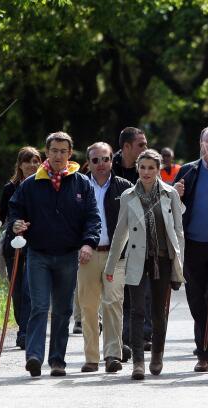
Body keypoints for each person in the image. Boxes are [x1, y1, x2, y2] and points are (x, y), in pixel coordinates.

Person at [8, 132, 101, 377]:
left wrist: (88, 243)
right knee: (39, 306)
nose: (58, 156)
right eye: (54, 151)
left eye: (63, 151)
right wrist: (16, 224)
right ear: (46, 153)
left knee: (62, 310)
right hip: (38, 254)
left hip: (69, 255)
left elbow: (93, 217)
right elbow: (15, 210)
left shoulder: (82, 183)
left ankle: (57, 360)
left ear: (70, 154)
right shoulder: (30, 184)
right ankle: (34, 357)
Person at [104, 149, 185, 380]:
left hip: (163, 259)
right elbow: (120, 233)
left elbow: (178, 232)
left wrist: (179, 264)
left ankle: (157, 355)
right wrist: (110, 267)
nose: (146, 172)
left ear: (158, 169)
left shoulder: (170, 194)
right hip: (136, 259)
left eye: (151, 168)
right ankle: (138, 362)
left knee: (159, 312)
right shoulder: (129, 195)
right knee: (137, 310)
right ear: (137, 168)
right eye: (142, 167)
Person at [173, 125, 208, 372]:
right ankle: (202, 351)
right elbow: (171, 208)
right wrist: (175, 194)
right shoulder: (188, 171)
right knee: (196, 299)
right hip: (192, 244)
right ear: (201, 144)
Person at [77, 142, 133, 373]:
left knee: (113, 303)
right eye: (96, 160)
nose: (101, 164)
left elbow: (137, 221)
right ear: (88, 163)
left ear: (112, 160)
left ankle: (112, 355)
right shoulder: (77, 187)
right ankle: (91, 357)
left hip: (116, 255)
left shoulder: (125, 187)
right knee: (88, 307)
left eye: (105, 159)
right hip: (86, 255)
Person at [0, 146, 42, 350]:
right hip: (14, 245)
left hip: (37, 244)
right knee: (17, 290)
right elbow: (2, 219)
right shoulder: (10, 188)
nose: (32, 165)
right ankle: (23, 325)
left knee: (30, 290)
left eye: (36, 161)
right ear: (20, 165)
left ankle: (25, 333)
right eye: (28, 161)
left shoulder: (44, 186)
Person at [112, 126, 151, 357]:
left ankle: (139, 336)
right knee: (117, 295)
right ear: (126, 147)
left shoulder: (147, 169)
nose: (146, 148)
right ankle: (119, 340)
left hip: (141, 242)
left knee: (140, 293)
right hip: (115, 242)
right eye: (141, 145)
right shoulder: (107, 167)